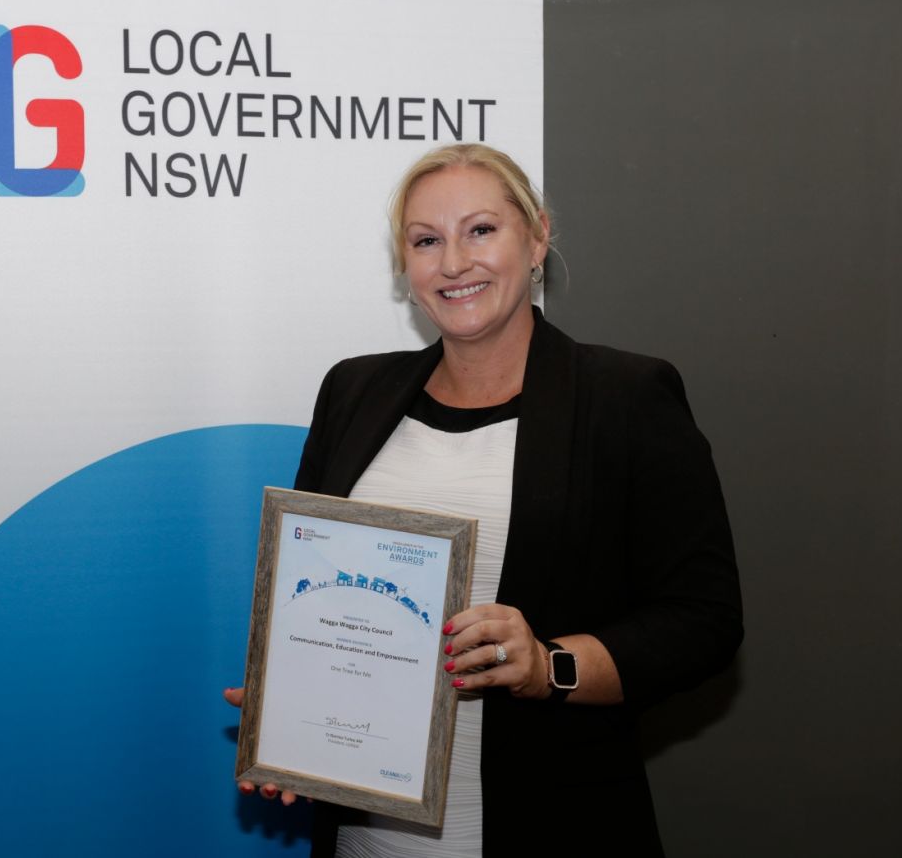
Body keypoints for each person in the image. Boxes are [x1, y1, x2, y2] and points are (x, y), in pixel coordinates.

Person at [225, 143, 742, 857]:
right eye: (426, 240)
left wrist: (549, 664)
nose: (455, 262)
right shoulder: (353, 391)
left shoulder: (626, 399)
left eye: (481, 230)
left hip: (547, 827)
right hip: (366, 844)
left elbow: (704, 621)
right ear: (405, 266)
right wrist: (293, 718)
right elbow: (317, 599)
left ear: (537, 238)